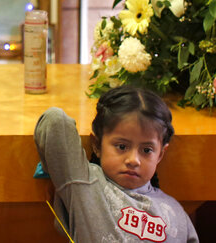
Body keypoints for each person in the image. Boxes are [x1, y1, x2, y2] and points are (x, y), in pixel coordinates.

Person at [35, 86, 199, 242]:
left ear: (160, 154)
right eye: (122, 147)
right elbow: (55, 120)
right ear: (97, 145)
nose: (133, 160)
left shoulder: (176, 212)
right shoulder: (84, 185)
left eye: (147, 150)